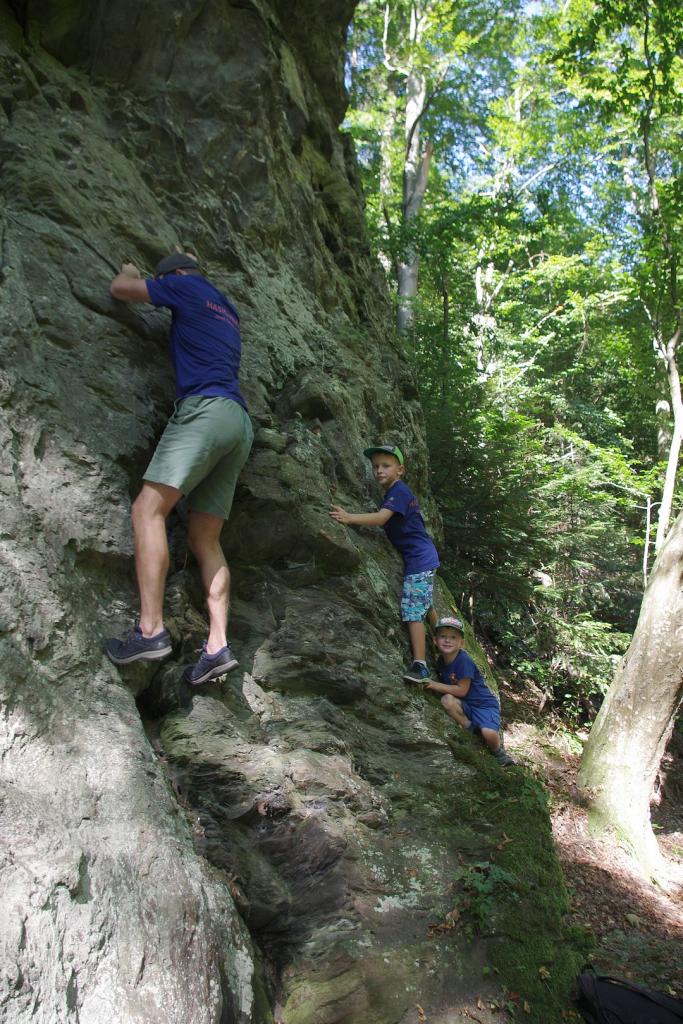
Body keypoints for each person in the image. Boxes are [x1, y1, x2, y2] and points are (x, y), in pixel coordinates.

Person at [104, 251, 253, 685]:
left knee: (147, 510)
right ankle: (217, 645)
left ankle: (150, 630)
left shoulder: (183, 285)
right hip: (238, 422)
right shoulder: (226, 306)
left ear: (174, 275)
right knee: (206, 539)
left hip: (205, 411)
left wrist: (131, 271)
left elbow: (121, 290)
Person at [330, 443, 439, 683]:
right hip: (420, 556)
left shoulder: (398, 491)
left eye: (386, 466)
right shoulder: (394, 492)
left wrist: (349, 517)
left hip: (419, 558)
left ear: (400, 470)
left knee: (412, 611)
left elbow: (381, 518)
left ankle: (420, 665)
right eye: (375, 466)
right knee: (424, 600)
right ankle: (441, 636)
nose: (379, 470)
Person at [424, 616, 514, 767]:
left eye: (453, 637)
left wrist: (433, 685)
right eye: (443, 637)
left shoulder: (463, 660)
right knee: (447, 701)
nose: (447, 640)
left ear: (461, 643)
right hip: (465, 704)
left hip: (484, 705)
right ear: (435, 640)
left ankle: (498, 752)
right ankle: (472, 731)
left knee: (489, 733)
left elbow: (462, 690)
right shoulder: (441, 661)